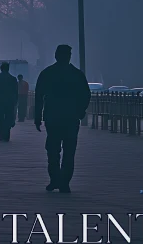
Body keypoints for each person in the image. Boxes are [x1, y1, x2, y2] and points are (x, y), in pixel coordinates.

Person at [34, 44, 91, 193]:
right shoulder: (76, 74)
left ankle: (55, 179)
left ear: (56, 55)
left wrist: (37, 116)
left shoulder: (48, 73)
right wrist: (80, 111)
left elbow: (39, 96)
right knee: (69, 150)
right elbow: (86, 94)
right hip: (71, 117)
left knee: (53, 150)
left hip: (53, 116)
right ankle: (64, 181)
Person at [0, 62, 19, 142]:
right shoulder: (13, 79)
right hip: (9, 101)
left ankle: (2, 135)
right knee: (8, 117)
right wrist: (15, 101)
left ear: (1, 69)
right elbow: (15, 91)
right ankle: (7, 135)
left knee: (0, 118)